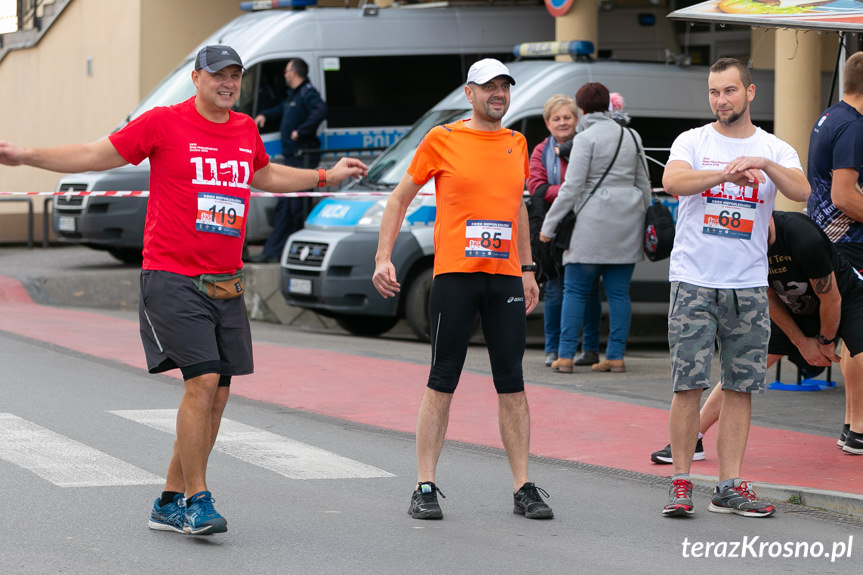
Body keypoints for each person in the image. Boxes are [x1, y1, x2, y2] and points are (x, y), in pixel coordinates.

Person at [0, 44, 367, 535]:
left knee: (217, 396)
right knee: (202, 381)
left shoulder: (244, 129)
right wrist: (24, 155)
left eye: (235, 76)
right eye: (218, 75)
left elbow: (265, 174)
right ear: (196, 78)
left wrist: (325, 175)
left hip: (226, 282)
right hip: (172, 278)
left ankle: (168, 501)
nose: (228, 83)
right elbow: (94, 153)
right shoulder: (162, 123)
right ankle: (198, 498)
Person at [371, 58, 553, 521]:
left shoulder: (517, 142)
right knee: (442, 378)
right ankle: (424, 485)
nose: (498, 93)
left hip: (506, 278)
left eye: (504, 86)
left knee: (512, 382)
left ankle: (523, 487)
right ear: (468, 93)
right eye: (488, 86)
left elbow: (518, 211)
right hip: (455, 276)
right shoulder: (442, 139)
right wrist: (383, 256)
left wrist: (529, 267)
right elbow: (398, 198)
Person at [660, 58, 810, 518]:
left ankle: (728, 485)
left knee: (741, 387)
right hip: (694, 281)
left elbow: (801, 191)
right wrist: (724, 174)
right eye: (713, 92)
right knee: (688, 384)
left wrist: (763, 164)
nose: (720, 100)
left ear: (750, 93)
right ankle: (681, 481)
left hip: (746, 286)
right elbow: (672, 181)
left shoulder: (774, 148)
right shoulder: (693, 141)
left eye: (728, 91)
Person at [651, 211, 863, 463]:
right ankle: (692, 438)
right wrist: (801, 343)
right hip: (793, 308)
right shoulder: (743, 247)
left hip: (847, 300)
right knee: (746, 364)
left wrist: (826, 342)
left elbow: (832, 298)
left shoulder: (803, 237)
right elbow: (769, 297)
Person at [539, 82, 651, 374]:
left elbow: (572, 188)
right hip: (627, 225)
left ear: (582, 109)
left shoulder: (585, 139)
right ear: (609, 105)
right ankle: (615, 356)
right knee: (618, 294)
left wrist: (548, 227)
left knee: (575, 290)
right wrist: (646, 217)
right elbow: (643, 184)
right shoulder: (632, 135)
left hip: (591, 226)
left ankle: (564, 356)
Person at [806, 50, 863, 448]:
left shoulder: (831, 116)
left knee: (851, 338)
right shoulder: (854, 126)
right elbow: (845, 195)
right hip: (847, 243)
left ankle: (854, 427)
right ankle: (857, 428)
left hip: (827, 241)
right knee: (858, 336)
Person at [527, 94, 602, 368]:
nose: (562, 123)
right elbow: (536, 186)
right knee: (555, 289)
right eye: (556, 118)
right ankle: (554, 349)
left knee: (591, 289)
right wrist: (570, 192)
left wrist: (560, 191)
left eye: (567, 117)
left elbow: (590, 182)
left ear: (577, 119)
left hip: (586, 225)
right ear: (547, 123)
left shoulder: (588, 145)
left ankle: (591, 349)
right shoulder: (539, 151)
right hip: (553, 228)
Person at [251, 58, 328, 263]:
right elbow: (280, 109)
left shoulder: (307, 92)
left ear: (293, 72)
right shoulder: (293, 95)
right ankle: (278, 251)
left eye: (286, 71)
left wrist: (301, 132)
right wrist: (264, 116)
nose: (284, 75)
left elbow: (321, 110)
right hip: (293, 157)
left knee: (294, 206)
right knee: (289, 205)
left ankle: (282, 252)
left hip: (302, 157)